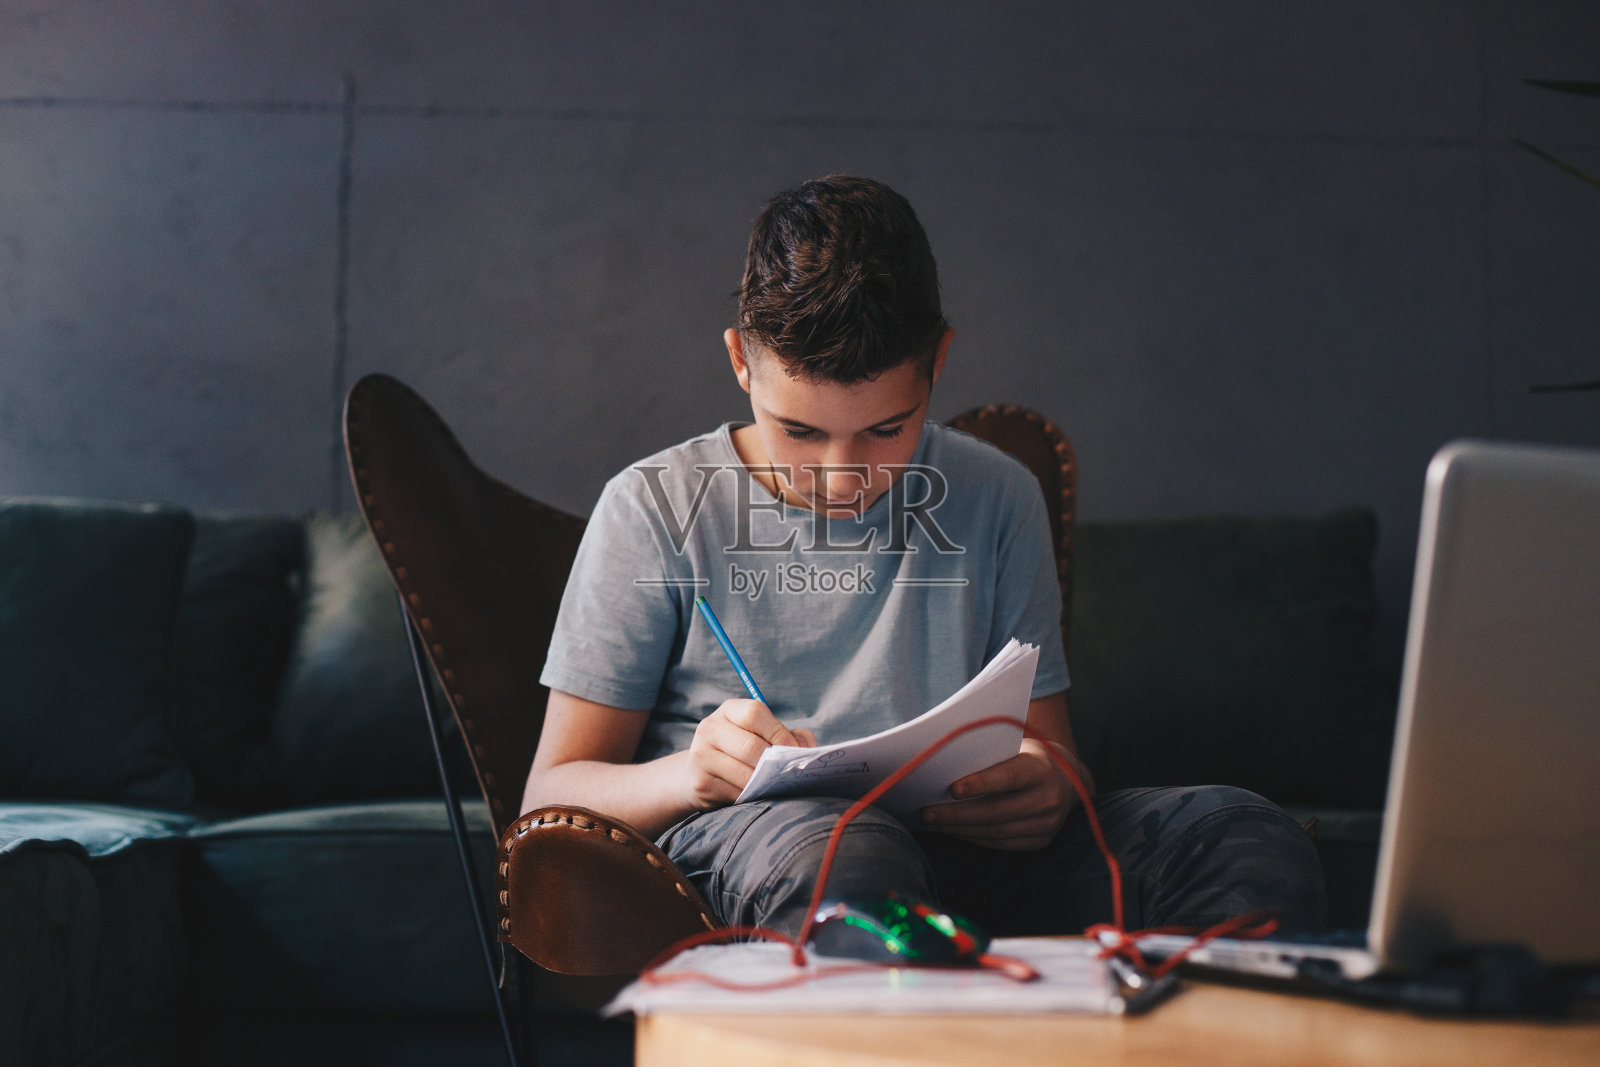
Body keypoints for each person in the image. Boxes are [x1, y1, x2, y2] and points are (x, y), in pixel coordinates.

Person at [523, 175, 1324, 939]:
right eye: (799, 431)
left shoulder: (998, 494)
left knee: (1242, 834)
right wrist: (689, 774)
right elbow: (549, 798)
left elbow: (1053, 752)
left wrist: (1047, 785)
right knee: (847, 848)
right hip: (773, 853)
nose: (842, 476)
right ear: (741, 361)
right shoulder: (654, 505)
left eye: (885, 429)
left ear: (938, 362)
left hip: (965, 856)